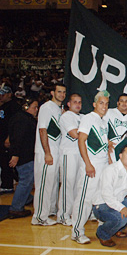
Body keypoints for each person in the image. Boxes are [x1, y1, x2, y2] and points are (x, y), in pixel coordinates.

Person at [71, 90, 110, 244]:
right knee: (84, 199)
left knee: (101, 197)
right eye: (101, 103)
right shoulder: (88, 118)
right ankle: (77, 231)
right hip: (91, 165)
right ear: (94, 104)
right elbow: (81, 141)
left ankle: (102, 229)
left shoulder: (103, 121)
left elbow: (104, 145)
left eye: (106, 104)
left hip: (102, 165)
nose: (104, 106)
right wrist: (88, 164)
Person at [92, 145, 127, 247]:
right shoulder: (111, 170)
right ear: (120, 155)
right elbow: (107, 195)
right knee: (121, 217)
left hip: (118, 202)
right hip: (102, 205)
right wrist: (121, 208)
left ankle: (117, 229)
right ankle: (102, 233)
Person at [32, 83, 66, 226]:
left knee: (51, 184)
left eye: (64, 92)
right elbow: (42, 130)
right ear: (53, 93)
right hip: (46, 152)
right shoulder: (46, 108)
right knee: (44, 184)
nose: (62, 95)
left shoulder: (60, 109)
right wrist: (47, 153)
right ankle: (39, 216)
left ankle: (49, 211)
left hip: (55, 151)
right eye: (59, 92)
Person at [7, 98, 38, 218]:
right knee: (26, 181)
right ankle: (16, 208)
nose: (36, 110)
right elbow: (17, 138)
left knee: (26, 181)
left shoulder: (21, 117)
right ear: (26, 107)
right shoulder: (22, 120)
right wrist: (15, 155)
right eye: (34, 107)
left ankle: (27, 199)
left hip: (24, 155)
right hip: (24, 156)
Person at [57, 94, 83, 226]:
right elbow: (75, 134)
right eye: (75, 102)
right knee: (68, 184)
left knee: (77, 185)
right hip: (68, 153)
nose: (77, 104)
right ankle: (62, 214)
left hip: (80, 154)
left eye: (79, 102)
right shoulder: (66, 116)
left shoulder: (82, 117)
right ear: (69, 104)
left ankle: (73, 212)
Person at [0, 85, 21, 194]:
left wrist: (9, 137)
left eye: (3, 94)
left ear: (9, 94)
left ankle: (8, 184)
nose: (1, 97)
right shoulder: (3, 106)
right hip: (1, 137)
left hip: (8, 138)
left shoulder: (13, 107)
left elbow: (14, 125)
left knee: (6, 162)